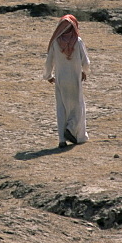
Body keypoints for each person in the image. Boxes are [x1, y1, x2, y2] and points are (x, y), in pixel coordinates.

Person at [44, 14, 90, 148]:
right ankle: (72, 130)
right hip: (74, 79)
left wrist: (48, 76)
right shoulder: (78, 41)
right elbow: (86, 62)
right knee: (77, 107)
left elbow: (49, 62)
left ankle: (62, 140)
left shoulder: (55, 43)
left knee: (61, 108)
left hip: (60, 79)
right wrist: (84, 72)